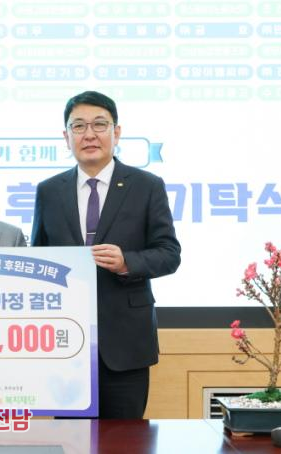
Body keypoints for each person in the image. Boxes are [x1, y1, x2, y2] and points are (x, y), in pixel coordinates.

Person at [31, 91, 181, 419]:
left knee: (126, 439)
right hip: (65, 346)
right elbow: (38, 258)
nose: (89, 134)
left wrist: (128, 262)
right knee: (71, 438)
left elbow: (169, 253)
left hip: (126, 344)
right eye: (79, 126)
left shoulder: (146, 185)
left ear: (117, 132)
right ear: (66, 136)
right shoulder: (49, 191)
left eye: (99, 124)